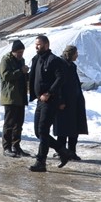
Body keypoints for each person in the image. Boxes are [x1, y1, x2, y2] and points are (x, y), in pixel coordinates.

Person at [27, 34, 69, 172]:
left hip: (50, 101)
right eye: (35, 45)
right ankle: (62, 150)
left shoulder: (54, 60)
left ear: (46, 45)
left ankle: (41, 161)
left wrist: (49, 92)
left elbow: (61, 78)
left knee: (43, 130)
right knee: (38, 132)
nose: (36, 47)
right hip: (40, 100)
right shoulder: (36, 59)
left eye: (39, 44)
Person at [53, 45, 88, 161]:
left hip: (74, 101)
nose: (77, 56)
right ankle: (61, 151)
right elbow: (58, 84)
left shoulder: (72, 66)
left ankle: (72, 151)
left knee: (74, 128)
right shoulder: (61, 64)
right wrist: (60, 100)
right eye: (75, 53)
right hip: (64, 102)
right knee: (63, 129)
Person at [0, 39, 30, 157]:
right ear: (13, 51)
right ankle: (6, 147)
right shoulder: (6, 60)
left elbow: (22, 76)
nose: (21, 54)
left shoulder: (21, 60)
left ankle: (16, 146)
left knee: (19, 123)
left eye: (22, 52)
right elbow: (6, 76)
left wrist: (27, 74)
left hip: (20, 96)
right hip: (10, 97)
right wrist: (20, 71)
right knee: (9, 123)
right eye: (19, 52)